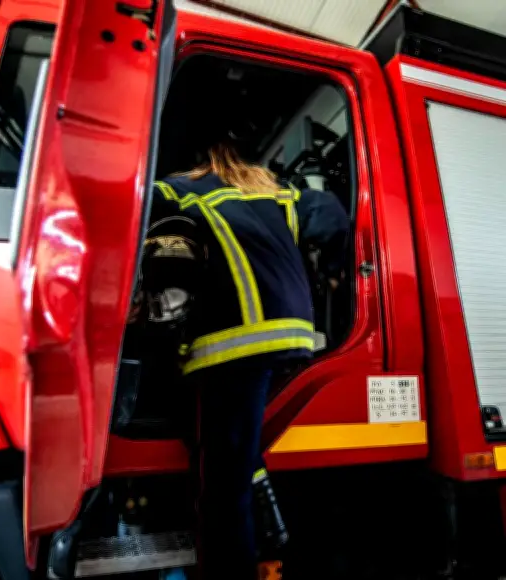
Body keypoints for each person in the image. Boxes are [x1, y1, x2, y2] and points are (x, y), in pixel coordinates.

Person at [145, 137, 315, 580]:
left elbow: (171, 264)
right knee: (239, 452)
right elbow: (330, 217)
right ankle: (268, 526)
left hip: (232, 343)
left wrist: (158, 324)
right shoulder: (275, 190)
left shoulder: (174, 190)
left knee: (221, 488)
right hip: (292, 339)